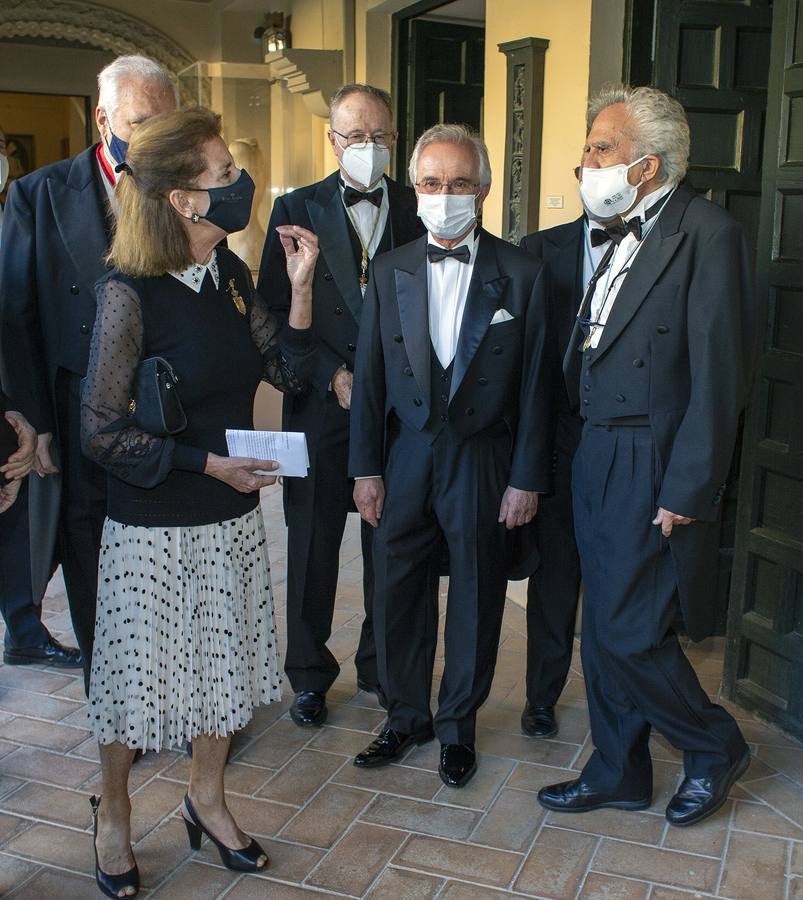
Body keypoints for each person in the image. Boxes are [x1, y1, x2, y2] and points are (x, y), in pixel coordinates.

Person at [79, 106, 317, 897]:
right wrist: (207, 463)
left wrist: (305, 288)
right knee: (132, 685)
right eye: (222, 174)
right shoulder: (129, 295)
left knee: (220, 675)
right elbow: (101, 433)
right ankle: (112, 808)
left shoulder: (232, 275)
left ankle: (206, 796)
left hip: (230, 522)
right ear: (182, 200)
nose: (238, 183)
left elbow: (284, 371)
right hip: (151, 525)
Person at [538, 86, 754, 828]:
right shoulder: (620, 230)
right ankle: (618, 770)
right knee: (601, 628)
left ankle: (712, 743)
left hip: (651, 457)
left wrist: (688, 484)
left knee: (632, 630)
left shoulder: (707, 233)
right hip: (596, 446)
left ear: (647, 164)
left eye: (600, 148)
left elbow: (718, 375)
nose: (586, 161)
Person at [349, 124, 552, 789]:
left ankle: (457, 725)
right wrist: (365, 468)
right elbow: (370, 378)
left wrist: (526, 479)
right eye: (432, 184)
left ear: (483, 190)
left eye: (459, 182)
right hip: (405, 453)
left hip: (482, 456)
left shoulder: (522, 274)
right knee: (396, 586)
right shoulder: (388, 269)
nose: (445, 195)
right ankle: (405, 715)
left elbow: (535, 389)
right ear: (415, 191)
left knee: (474, 589)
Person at [0, 56, 177, 691]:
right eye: (139, 122)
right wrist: (37, 423)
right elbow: (15, 315)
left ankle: (169, 686)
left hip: (161, 402)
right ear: (103, 119)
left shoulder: (181, 191)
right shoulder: (38, 194)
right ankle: (113, 689)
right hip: (77, 405)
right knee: (88, 547)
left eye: (165, 123)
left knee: (162, 551)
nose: (153, 137)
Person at [257, 83, 425, 728]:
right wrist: (331, 374)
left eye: (381, 136)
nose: (369, 148)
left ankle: (381, 668)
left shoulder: (418, 209)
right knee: (311, 542)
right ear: (333, 140)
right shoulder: (295, 208)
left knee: (390, 540)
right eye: (356, 137)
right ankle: (307, 673)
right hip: (322, 407)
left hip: (396, 411)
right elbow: (274, 312)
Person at [517, 196, 611, 738]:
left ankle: (609, 699)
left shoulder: (653, 245)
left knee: (610, 579)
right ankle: (541, 697)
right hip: (556, 437)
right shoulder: (539, 249)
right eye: (588, 161)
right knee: (554, 577)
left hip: (619, 437)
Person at [0, 123, 83, 668]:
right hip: (9, 388)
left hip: (12, 385)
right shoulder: (32, 199)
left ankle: (23, 627)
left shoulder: (14, 204)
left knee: (23, 516)